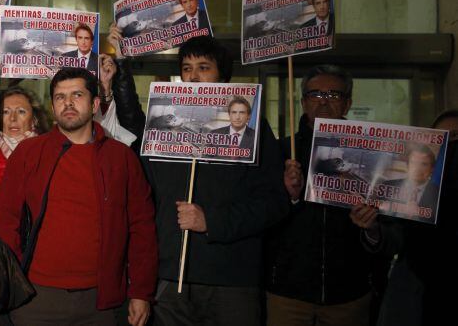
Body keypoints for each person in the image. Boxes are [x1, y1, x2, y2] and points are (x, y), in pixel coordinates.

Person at [107, 27, 287, 326]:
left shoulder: (251, 130)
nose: (193, 77)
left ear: (223, 77)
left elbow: (274, 203)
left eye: (203, 68)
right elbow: (134, 127)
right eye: (187, 69)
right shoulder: (166, 125)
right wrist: (123, 66)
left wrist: (212, 222)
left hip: (230, 281)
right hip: (169, 277)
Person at [0, 68, 157, 326]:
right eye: (60, 97)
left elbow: (142, 226)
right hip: (35, 298)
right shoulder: (29, 152)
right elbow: (4, 216)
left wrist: (141, 292)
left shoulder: (121, 157)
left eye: (77, 95)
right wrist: (15, 277)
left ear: (94, 104)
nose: (68, 103)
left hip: (101, 301)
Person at [266, 65, 379, 326]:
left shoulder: (370, 154)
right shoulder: (282, 150)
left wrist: (373, 229)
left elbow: (391, 230)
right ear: (304, 101)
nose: (324, 101)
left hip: (349, 293)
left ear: (348, 103)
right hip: (287, 291)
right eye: (316, 94)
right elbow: (261, 213)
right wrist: (290, 198)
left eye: (334, 95)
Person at [361, 110, 458, 326]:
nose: (452, 144)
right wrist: (373, 228)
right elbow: (394, 239)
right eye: (445, 137)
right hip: (415, 291)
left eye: (456, 136)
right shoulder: (400, 190)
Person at [0, 86, 49, 201]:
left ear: (35, 119)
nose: (13, 118)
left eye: (21, 111)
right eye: (6, 112)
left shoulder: (48, 151)